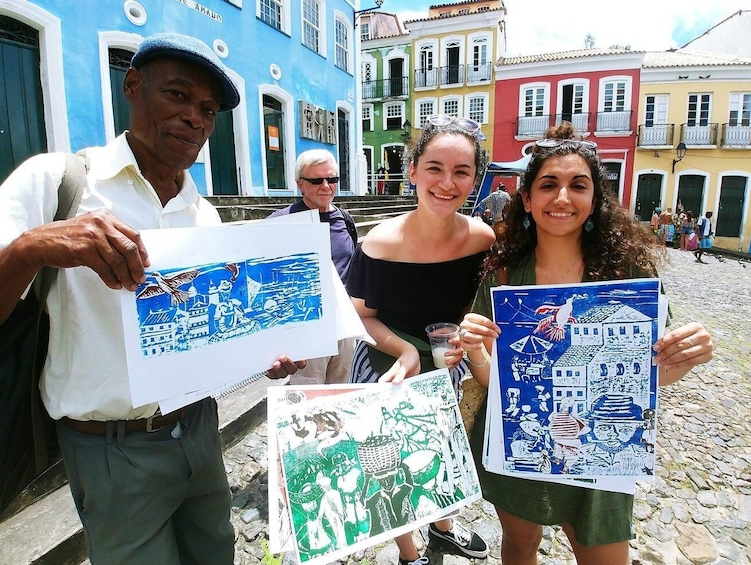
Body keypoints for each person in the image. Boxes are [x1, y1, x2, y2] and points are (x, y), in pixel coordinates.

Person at [0, 33, 304, 564]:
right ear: (132, 86)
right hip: (109, 447)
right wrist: (32, 248)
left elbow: (208, 330)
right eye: (177, 95)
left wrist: (259, 354)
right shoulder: (60, 183)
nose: (195, 119)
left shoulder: (204, 214)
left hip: (198, 428)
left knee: (215, 554)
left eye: (207, 110)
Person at [455, 123, 714, 565]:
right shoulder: (502, 277)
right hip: (520, 445)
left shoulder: (628, 278)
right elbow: (495, 379)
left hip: (604, 449)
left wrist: (684, 357)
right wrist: (476, 349)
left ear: (594, 199)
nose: (561, 198)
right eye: (548, 185)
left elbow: (653, 376)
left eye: (578, 185)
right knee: (519, 546)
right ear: (527, 199)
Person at [345, 114, 494, 565]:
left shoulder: (482, 240)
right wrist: (406, 350)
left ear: (475, 179)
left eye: (461, 171)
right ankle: (410, 554)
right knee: (391, 467)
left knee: (442, 455)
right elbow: (361, 319)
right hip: (386, 363)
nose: (447, 182)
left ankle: (444, 530)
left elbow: (483, 310)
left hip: (449, 365)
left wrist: (468, 340)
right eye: (434, 167)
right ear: (412, 171)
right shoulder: (379, 243)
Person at [268, 149, 357, 384]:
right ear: (300, 185)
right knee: (309, 396)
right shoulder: (281, 223)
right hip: (306, 325)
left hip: (344, 326)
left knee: (342, 392)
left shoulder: (345, 219)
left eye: (332, 179)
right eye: (317, 180)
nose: (326, 186)